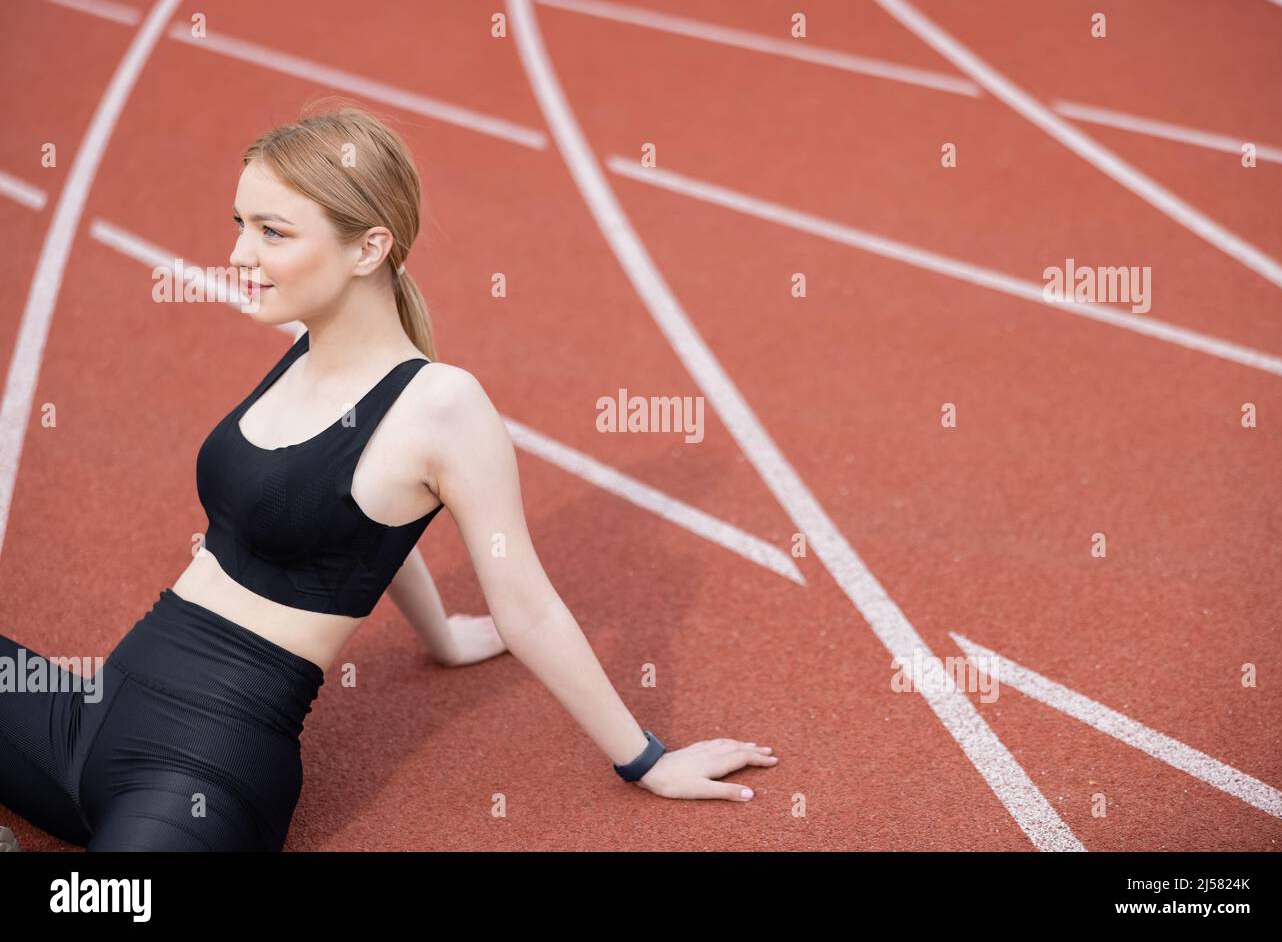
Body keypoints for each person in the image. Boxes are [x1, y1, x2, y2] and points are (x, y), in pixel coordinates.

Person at [0, 100, 777, 852]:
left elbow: (528, 607)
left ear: (367, 249)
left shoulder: (443, 405)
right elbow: (360, 519)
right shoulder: (305, 349)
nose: (239, 255)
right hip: (89, 712)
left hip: (198, 770)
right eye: (240, 225)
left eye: (272, 232)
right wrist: (438, 633)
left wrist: (646, 760)